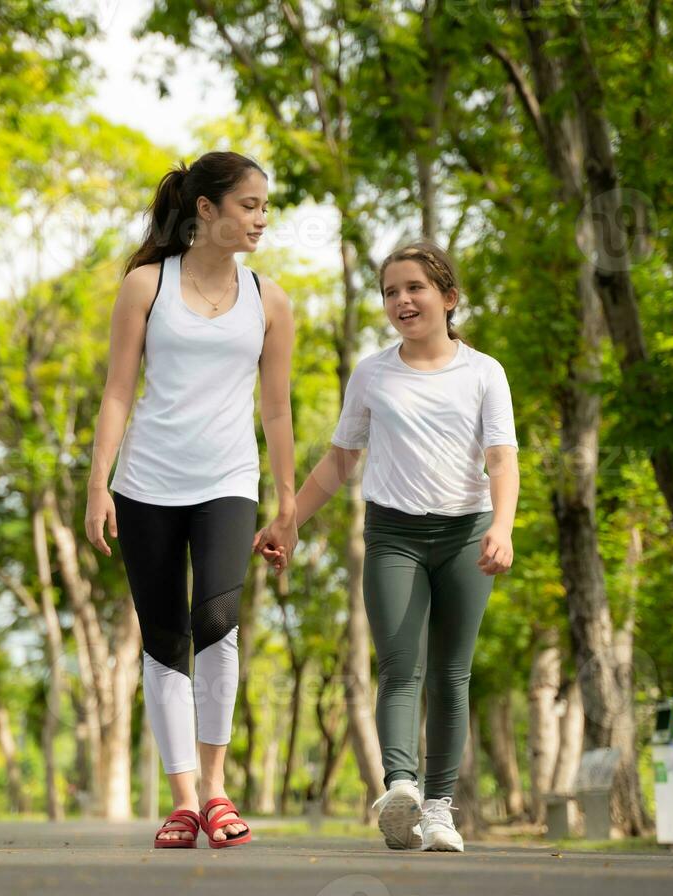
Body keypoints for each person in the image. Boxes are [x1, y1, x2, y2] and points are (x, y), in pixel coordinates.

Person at [256, 240, 518, 853]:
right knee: (401, 668)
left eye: (415, 288)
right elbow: (343, 458)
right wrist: (289, 520)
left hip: (465, 534)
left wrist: (501, 527)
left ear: (448, 299)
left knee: (452, 677)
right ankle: (400, 787)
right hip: (394, 534)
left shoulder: (484, 372)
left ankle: (440, 810)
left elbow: (502, 459)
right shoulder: (373, 372)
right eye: (391, 291)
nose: (402, 300)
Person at [84, 151, 299, 849]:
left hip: (227, 480)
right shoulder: (145, 286)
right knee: (165, 638)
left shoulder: (270, 301)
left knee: (216, 618)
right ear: (205, 209)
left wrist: (288, 499)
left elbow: (276, 410)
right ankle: (181, 801)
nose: (260, 218)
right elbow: (117, 390)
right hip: (146, 482)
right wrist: (98, 485)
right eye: (248, 205)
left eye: (265, 206)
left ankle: (215, 789)